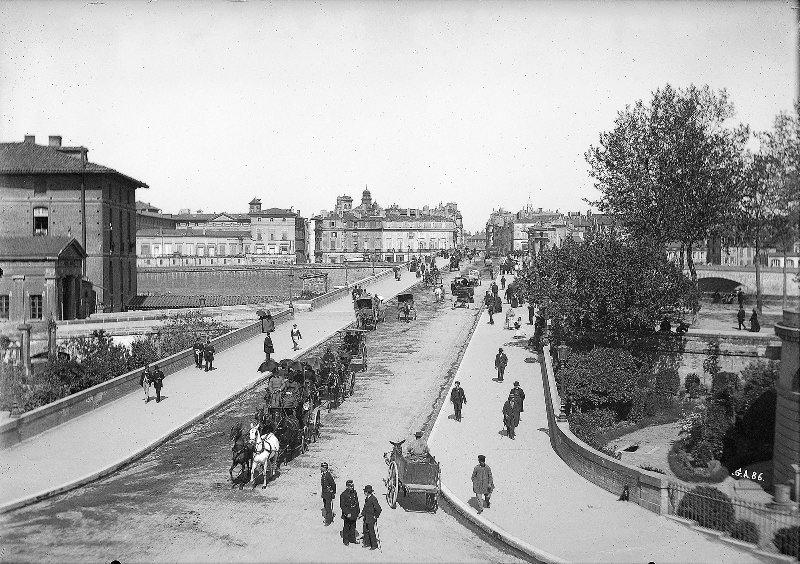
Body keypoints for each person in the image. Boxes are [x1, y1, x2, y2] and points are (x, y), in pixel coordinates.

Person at [360, 485, 382, 550]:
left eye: (365, 491)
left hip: (371, 518)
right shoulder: (367, 498)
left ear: (367, 492)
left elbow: (379, 509)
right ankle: (367, 543)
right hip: (366, 517)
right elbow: (365, 508)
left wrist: (375, 516)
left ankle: (374, 545)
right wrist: (361, 514)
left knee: (371, 532)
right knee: (365, 530)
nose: (364, 493)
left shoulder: (373, 499)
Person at [340, 479, 360, 545]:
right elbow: (342, 506)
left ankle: (352, 539)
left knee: (353, 526)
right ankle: (346, 541)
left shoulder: (354, 492)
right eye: (350, 486)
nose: (352, 487)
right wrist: (347, 513)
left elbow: (357, 503)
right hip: (348, 514)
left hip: (354, 512)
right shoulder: (343, 495)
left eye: (352, 486)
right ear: (347, 486)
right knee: (346, 527)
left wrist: (358, 512)